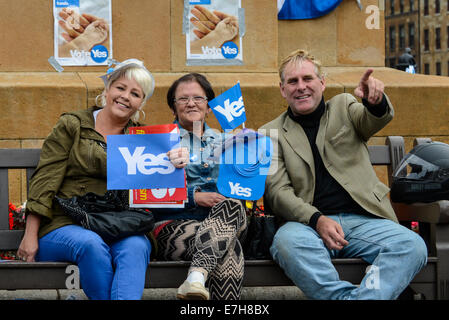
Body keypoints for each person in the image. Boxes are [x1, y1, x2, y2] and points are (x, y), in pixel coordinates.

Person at [260, 49, 427, 300]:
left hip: (364, 220)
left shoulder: (344, 106)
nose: (301, 87)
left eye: (308, 79)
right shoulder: (269, 133)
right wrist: (317, 219)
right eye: (292, 81)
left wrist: (374, 102)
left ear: (322, 83)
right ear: (282, 89)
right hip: (306, 226)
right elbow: (278, 193)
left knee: (412, 246)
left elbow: (371, 120)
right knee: (285, 244)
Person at [16, 59, 184, 300]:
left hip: (120, 224)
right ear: (107, 89)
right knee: (91, 244)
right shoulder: (73, 125)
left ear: (140, 104)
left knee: (136, 246)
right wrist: (29, 235)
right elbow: (45, 180)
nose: (126, 96)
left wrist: (174, 161)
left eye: (135, 93)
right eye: (120, 88)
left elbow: (161, 191)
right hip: (67, 222)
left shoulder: (145, 138)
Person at [152, 73, 247, 300]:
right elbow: (146, 195)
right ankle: (197, 277)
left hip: (228, 219)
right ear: (173, 108)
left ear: (209, 107)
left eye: (198, 98)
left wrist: (248, 164)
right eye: (183, 99)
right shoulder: (157, 142)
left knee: (232, 205)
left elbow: (244, 192)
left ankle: (195, 277)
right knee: (228, 251)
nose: (191, 103)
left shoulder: (231, 141)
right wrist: (194, 197)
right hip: (174, 223)